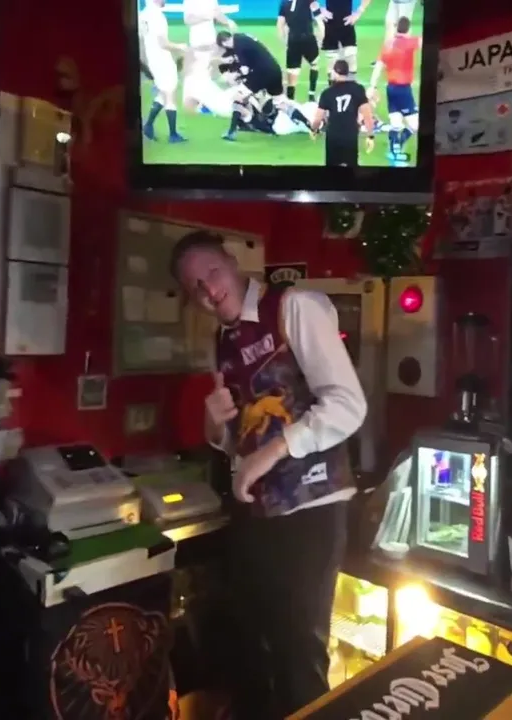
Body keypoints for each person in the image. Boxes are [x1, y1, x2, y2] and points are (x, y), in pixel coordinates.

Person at [170, 231, 365, 720]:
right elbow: (238, 439)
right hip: (258, 511)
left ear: (232, 262)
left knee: (299, 654)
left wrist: (276, 449)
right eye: (195, 287)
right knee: (255, 646)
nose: (209, 289)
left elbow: (348, 405)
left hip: (312, 507)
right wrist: (214, 426)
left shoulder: (294, 307)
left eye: (211, 272)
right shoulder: (222, 341)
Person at [368, 16, 421, 164]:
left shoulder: (388, 44)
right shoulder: (410, 42)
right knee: (415, 125)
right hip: (404, 89)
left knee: (396, 122)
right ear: (409, 29)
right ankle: (399, 144)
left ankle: (392, 151)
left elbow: (378, 67)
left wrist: (372, 86)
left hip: (391, 89)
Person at [217, 31, 285, 141]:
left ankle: (232, 132)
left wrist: (234, 76)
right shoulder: (241, 38)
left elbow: (245, 70)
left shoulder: (239, 47)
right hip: (274, 68)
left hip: (262, 73)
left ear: (224, 43)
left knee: (238, 97)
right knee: (280, 100)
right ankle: (306, 123)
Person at [140, 0, 187, 142]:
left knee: (163, 92)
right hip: (162, 59)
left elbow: (143, 40)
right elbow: (163, 43)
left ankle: (148, 126)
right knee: (170, 94)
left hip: (152, 59)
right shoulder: (157, 16)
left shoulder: (143, 14)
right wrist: (181, 47)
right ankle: (173, 135)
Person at [312, 60, 375, 166]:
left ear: (334, 72)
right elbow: (367, 115)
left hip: (333, 136)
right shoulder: (358, 89)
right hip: (350, 135)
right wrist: (370, 136)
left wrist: (313, 130)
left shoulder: (327, 93)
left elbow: (318, 118)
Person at [278, 0, 324, 102]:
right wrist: (321, 38)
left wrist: (285, 41)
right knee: (315, 64)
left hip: (293, 40)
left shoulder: (284, 2)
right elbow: (319, 20)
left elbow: (280, 24)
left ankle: (290, 100)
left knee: (292, 73)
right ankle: (311, 95)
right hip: (308, 38)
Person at [318, 0, 371, 74]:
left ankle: (351, 80)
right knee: (332, 63)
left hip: (347, 25)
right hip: (330, 26)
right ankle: (333, 81)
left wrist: (358, 13)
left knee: (351, 58)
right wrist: (320, 9)